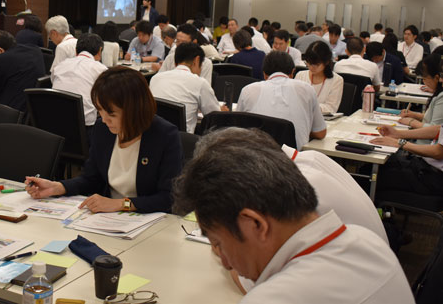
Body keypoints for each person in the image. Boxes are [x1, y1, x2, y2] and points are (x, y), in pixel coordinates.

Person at [173, 129, 413, 304]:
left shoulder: (277, 297)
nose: (225, 262)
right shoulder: (366, 241)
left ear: (254, 223)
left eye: (218, 244)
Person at [26, 67, 183, 213]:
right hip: (108, 219)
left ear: (135, 110)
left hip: (148, 223)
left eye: (112, 114)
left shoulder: (165, 135)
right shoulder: (103, 130)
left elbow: (167, 198)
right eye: (100, 110)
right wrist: (58, 187)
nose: (105, 119)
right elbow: (91, 179)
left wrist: (122, 204)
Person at [238, 51, 327, 148]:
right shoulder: (307, 89)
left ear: (264, 74)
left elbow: (238, 130)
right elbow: (320, 133)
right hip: (293, 160)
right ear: (293, 72)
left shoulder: (248, 90)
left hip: (257, 158)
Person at [150, 43, 226, 133]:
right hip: (182, 140)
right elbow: (214, 116)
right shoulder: (200, 82)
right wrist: (221, 110)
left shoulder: (155, 78)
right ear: (197, 60)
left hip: (154, 134)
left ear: (175, 63)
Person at [372, 124, 443, 198]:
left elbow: (438, 152)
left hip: (433, 178)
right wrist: (397, 134)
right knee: (379, 166)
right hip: (425, 167)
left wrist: (400, 143)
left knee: (371, 176)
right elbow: (439, 129)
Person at [52, 33, 108, 127]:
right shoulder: (101, 70)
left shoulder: (60, 66)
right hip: (84, 127)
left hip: (54, 123)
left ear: (76, 51)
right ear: (100, 51)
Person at [397, 54, 443, 132]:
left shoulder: (441, 97)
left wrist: (412, 122)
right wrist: (414, 115)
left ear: (436, 78)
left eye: (424, 79)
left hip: (426, 142)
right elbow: (433, 117)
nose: (424, 82)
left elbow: (434, 129)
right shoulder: (438, 94)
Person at [295, 40, 343, 114]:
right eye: (309, 63)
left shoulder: (336, 80)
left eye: (316, 64)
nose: (311, 67)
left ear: (326, 62)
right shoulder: (300, 75)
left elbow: (331, 108)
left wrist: (309, 106)